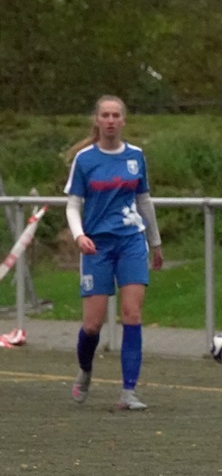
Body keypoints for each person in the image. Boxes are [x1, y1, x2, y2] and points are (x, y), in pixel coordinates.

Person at [65, 95, 164, 411]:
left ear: (123, 120)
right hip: (97, 245)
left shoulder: (135, 156)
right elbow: (73, 204)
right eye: (105, 115)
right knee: (92, 325)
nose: (110, 120)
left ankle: (128, 392)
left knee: (132, 314)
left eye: (115, 115)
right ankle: (85, 370)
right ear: (97, 120)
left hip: (131, 241)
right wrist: (79, 235)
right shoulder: (85, 159)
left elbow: (144, 200)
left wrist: (155, 243)